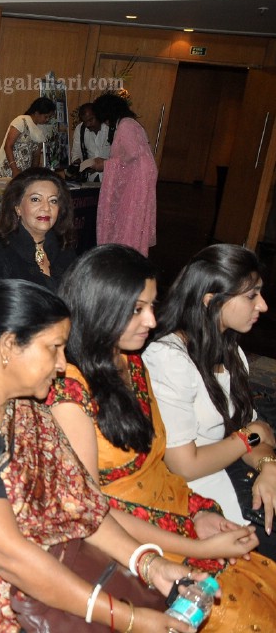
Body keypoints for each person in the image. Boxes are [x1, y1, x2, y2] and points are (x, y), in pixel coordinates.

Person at [0, 279, 200, 632]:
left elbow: (79, 503)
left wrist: (148, 563)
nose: (61, 364)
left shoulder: (24, 408)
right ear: (9, 345)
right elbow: (8, 555)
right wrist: (128, 618)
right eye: (54, 347)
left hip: (44, 583)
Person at [49, 244, 276, 631]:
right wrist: (197, 548)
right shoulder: (70, 393)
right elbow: (93, 511)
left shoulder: (132, 363)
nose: (153, 321)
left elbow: (160, 467)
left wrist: (199, 513)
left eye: (152, 306)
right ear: (101, 307)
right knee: (243, 615)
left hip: (180, 508)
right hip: (127, 540)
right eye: (138, 309)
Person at [143, 244, 276, 556]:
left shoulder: (232, 352)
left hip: (229, 472)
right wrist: (249, 437)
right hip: (195, 496)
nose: (264, 306)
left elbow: (257, 432)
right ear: (211, 301)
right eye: (251, 295)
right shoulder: (167, 358)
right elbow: (184, 466)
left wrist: (269, 466)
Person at [0, 167, 77, 291]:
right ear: (17, 207)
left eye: (53, 201)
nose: (46, 208)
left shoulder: (65, 249)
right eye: (35, 199)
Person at [89, 93, 157, 256]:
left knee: (127, 218)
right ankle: (128, 251)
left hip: (136, 180)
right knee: (132, 218)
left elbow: (131, 154)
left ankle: (124, 253)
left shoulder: (125, 125)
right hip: (139, 177)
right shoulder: (131, 123)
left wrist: (104, 165)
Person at [0, 97, 53, 179]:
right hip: (9, 169)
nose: (47, 120)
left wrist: (33, 173)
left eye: (49, 117)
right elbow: (8, 146)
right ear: (37, 113)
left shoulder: (41, 129)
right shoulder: (21, 121)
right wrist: (14, 169)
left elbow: (36, 156)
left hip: (25, 173)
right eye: (46, 117)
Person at [70, 103, 111, 182]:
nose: (88, 124)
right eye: (85, 121)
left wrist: (103, 164)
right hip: (91, 179)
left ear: (98, 115)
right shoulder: (80, 129)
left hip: (111, 178)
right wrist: (79, 164)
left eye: (91, 120)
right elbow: (76, 152)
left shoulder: (110, 128)